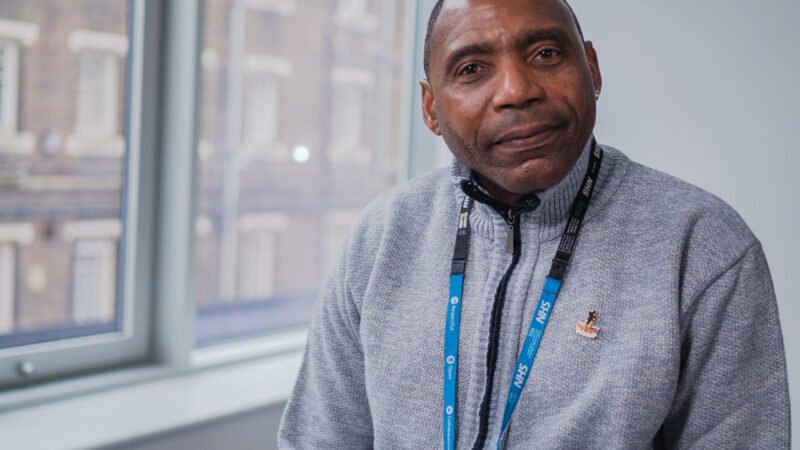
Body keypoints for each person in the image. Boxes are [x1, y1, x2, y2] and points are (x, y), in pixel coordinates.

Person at [278, 0, 791, 448]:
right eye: (472, 68)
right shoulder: (383, 235)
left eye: (546, 54)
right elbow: (320, 439)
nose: (516, 90)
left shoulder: (703, 246)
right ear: (431, 108)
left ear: (591, 67)